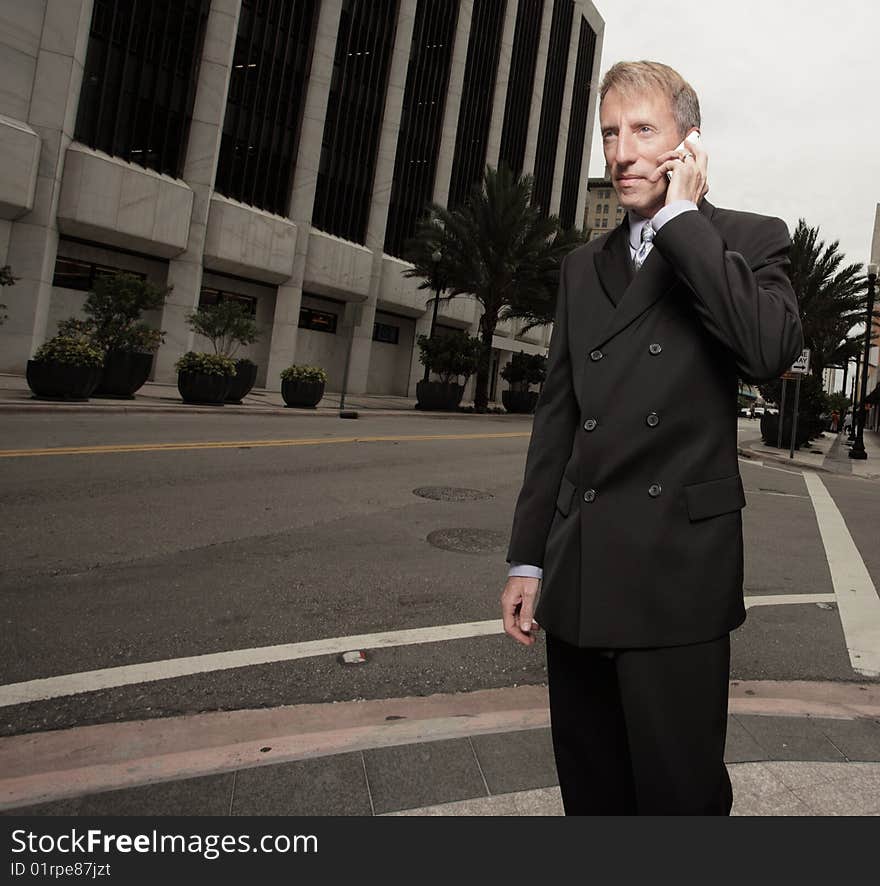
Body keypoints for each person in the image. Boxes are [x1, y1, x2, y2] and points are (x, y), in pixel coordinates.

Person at [501, 60, 803, 815]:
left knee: (679, 797)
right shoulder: (582, 266)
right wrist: (528, 558)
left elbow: (767, 351)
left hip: (677, 578)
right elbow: (559, 420)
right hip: (582, 569)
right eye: (610, 133)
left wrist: (681, 222)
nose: (622, 152)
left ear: (687, 145)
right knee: (592, 791)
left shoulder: (746, 239)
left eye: (643, 131)